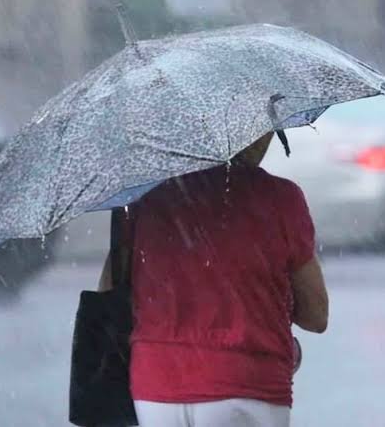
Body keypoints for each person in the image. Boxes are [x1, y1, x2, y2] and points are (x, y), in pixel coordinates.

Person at [99, 132, 328, 427]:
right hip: (247, 384)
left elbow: (108, 292)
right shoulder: (281, 198)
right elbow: (316, 315)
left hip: (156, 388)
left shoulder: (145, 196)